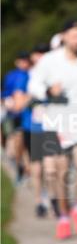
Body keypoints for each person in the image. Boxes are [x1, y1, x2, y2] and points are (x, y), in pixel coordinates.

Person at [27, 21, 77, 239]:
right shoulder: (49, 60)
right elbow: (33, 85)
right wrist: (49, 91)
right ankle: (64, 215)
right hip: (57, 121)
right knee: (61, 172)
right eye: (75, 36)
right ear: (64, 37)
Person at [25, 43, 51, 217]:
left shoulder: (54, 70)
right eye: (38, 53)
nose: (41, 56)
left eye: (44, 53)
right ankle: (39, 201)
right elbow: (19, 100)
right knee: (37, 166)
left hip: (53, 124)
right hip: (33, 126)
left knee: (51, 166)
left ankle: (51, 199)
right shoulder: (29, 74)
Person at [2, 52, 31, 184]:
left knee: (26, 142)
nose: (24, 63)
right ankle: (21, 166)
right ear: (17, 62)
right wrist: (8, 101)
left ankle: (27, 166)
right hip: (14, 114)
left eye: (26, 60)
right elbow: (5, 93)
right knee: (18, 141)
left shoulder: (32, 74)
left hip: (28, 114)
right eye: (22, 60)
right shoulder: (11, 76)